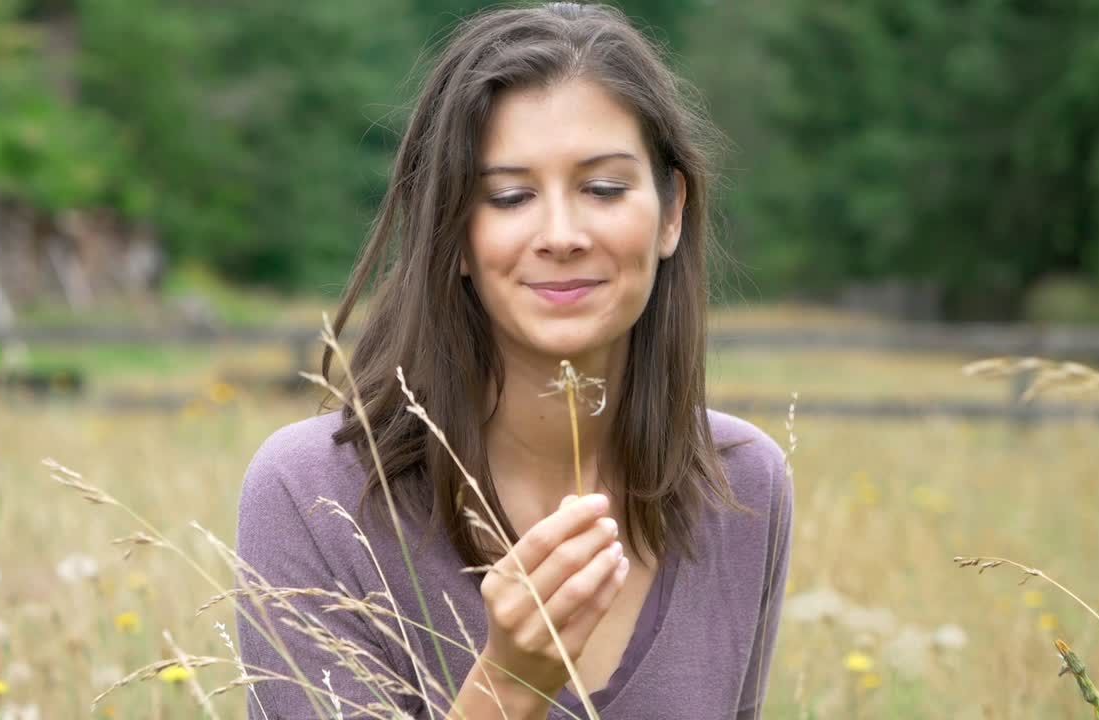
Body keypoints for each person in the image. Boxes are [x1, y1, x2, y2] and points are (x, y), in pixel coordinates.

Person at [236, 4, 793, 719]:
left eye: (603, 188)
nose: (561, 234)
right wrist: (508, 685)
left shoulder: (743, 486)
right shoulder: (312, 495)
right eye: (509, 196)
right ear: (456, 234)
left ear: (672, 210)